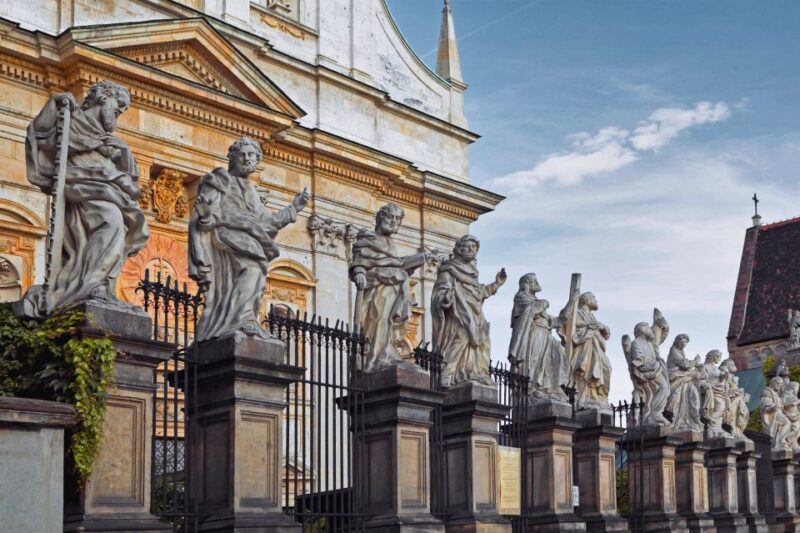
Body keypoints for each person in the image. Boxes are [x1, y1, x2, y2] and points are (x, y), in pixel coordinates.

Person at [18, 81, 148, 315]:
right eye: (119, 105)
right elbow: (39, 135)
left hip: (107, 189)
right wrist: (55, 102)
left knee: (119, 226)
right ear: (103, 97)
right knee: (111, 220)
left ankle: (98, 285)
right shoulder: (71, 119)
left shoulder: (107, 138)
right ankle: (92, 285)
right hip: (81, 187)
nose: (120, 112)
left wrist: (122, 152)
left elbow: (131, 176)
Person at [189, 137, 309, 341]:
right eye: (242, 155)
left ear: (257, 159)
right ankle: (241, 319)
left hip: (248, 238)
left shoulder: (252, 191)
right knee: (252, 269)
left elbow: (268, 222)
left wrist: (294, 208)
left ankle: (242, 319)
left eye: (251, 155)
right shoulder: (219, 181)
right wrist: (206, 215)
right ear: (233, 159)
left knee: (256, 270)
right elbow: (205, 217)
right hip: (226, 236)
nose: (247, 159)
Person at [349, 203, 426, 371]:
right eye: (390, 217)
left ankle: (386, 351)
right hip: (377, 289)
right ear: (380, 218)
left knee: (388, 322)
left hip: (394, 289)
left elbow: (391, 264)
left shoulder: (390, 243)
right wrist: (359, 272)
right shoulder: (368, 239)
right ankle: (377, 357)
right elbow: (359, 261)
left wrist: (407, 266)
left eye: (397, 219)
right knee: (378, 320)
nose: (393, 221)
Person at [431, 235, 505, 387]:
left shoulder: (473, 272)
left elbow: (479, 293)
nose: (471, 249)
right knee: (462, 338)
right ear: (459, 249)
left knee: (483, 342)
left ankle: (476, 372)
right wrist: (446, 297)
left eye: (474, 247)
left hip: (475, 314)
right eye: (467, 246)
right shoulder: (448, 269)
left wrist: (496, 284)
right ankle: (447, 373)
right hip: (458, 312)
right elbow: (441, 290)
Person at [508, 273, 568, 402]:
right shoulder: (521, 297)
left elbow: (554, 321)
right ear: (526, 284)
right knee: (534, 359)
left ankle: (547, 388)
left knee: (555, 356)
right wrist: (544, 303)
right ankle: (532, 389)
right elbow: (532, 310)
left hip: (545, 334)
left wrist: (569, 306)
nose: (536, 283)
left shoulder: (536, 301)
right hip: (533, 334)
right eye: (533, 281)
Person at [569, 292, 612, 409]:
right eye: (593, 298)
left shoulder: (592, 317)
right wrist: (591, 327)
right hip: (586, 346)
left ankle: (599, 396)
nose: (596, 300)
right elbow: (573, 327)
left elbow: (605, 334)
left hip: (596, 346)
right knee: (589, 370)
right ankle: (586, 398)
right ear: (586, 300)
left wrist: (603, 328)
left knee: (606, 368)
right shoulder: (577, 313)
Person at [666, 334, 706, 433]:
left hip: (685, 378)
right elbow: (685, 365)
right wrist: (696, 361)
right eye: (682, 342)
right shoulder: (673, 351)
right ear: (677, 341)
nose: (684, 344)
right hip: (676, 379)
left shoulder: (681, 352)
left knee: (694, 396)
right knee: (677, 399)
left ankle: (692, 420)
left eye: (686, 342)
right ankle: (676, 420)